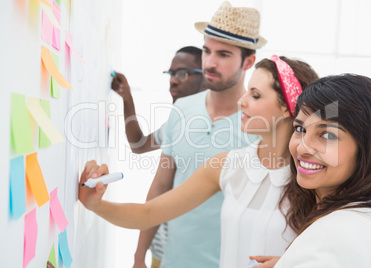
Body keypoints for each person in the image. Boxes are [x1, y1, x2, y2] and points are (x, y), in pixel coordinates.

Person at [78, 55, 319, 268]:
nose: (241, 101)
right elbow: (149, 213)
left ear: (287, 109)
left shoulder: (314, 177)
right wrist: (97, 205)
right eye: (247, 91)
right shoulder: (228, 165)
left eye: (255, 95)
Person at [130, 2, 266, 267]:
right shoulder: (182, 109)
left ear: (248, 61)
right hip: (174, 260)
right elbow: (161, 186)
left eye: (224, 55)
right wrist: (139, 255)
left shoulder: (261, 124)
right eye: (207, 51)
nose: (210, 63)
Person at [261, 74, 371, 267]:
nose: (302, 148)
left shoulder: (332, 237)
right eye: (300, 129)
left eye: (326, 134)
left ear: (366, 148)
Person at [111, 46, 206, 268]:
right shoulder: (177, 120)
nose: (173, 81)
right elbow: (139, 144)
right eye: (171, 74)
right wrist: (127, 99)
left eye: (182, 73)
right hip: (162, 251)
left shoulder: (222, 125)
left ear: (206, 78)